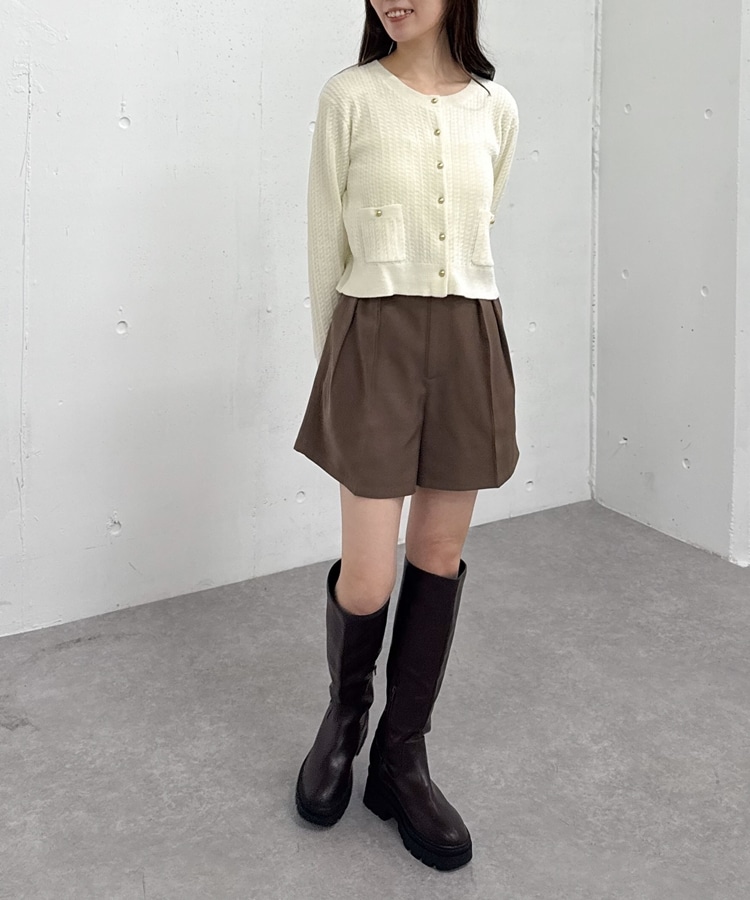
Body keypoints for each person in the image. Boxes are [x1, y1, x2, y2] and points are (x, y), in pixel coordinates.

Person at [292, 0, 520, 872]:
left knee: (438, 552)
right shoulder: (349, 96)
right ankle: (344, 722)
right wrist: (337, 369)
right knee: (369, 571)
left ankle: (403, 754)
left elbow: (482, 227)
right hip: (371, 336)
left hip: (467, 334)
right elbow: (325, 238)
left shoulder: (496, 108)